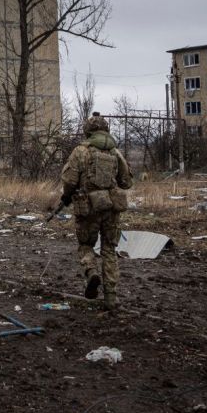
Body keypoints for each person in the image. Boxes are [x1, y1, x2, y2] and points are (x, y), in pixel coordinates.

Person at [60, 112, 132, 310]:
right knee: (109, 249)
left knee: (85, 245)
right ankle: (111, 297)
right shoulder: (115, 153)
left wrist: (66, 196)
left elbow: (69, 180)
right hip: (111, 209)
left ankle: (91, 272)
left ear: (88, 131)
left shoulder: (80, 151)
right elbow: (126, 182)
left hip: (88, 208)